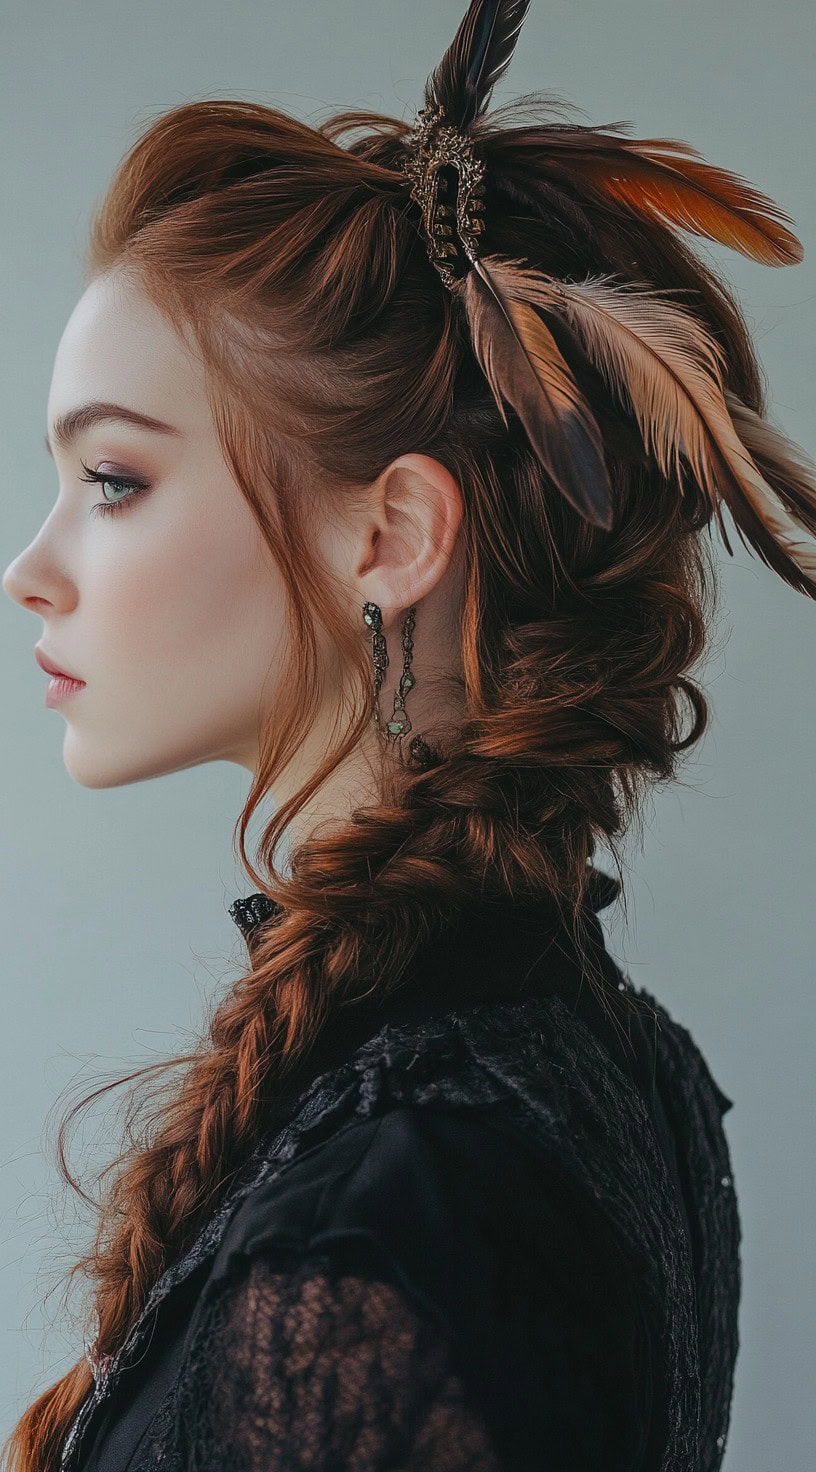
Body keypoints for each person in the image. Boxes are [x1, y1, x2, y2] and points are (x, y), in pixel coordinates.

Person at [3, 1, 814, 1469]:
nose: (29, 566)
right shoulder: (606, 1068)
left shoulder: (387, 1212)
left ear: (390, 533)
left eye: (113, 478)